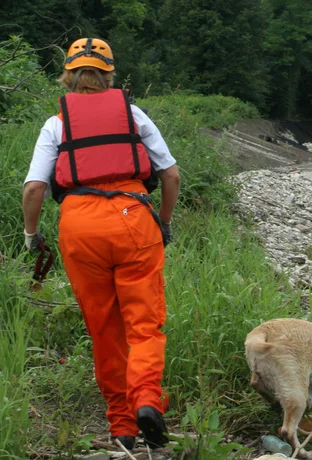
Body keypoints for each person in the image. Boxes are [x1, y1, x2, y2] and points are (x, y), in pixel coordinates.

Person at [21, 38, 180, 450]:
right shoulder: (134, 114)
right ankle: (147, 399)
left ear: (68, 76)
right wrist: (162, 223)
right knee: (144, 324)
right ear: (110, 75)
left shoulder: (57, 123)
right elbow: (171, 175)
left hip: (79, 225)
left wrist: (31, 234)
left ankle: (123, 426)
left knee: (105, 330)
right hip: (134, 218)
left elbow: (35, 187)